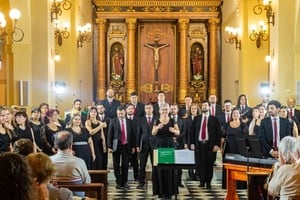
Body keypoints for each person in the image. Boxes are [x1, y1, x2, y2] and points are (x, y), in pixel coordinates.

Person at [190, 100, 221, 189]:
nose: (204, 107)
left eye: (206, 105)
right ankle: (202, 181)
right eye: (203, 105)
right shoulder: (197, 118)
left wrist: (217, 145)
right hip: (199, 144)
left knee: (209, 164)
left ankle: (208, 182)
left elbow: (218, 133)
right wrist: (192, 143)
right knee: (200, 164)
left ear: (209, 107)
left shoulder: (214, 119)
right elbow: (192, 132)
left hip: (210, 145)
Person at [152, 103, 180, 199]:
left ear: (168, 111)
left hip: (169, 145)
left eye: (166, 110)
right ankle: (161, 191)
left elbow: (178, 132)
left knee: (170, 168)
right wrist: (157, 128)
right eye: (163, 110)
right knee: (159, 168)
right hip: (159, 145)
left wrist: (174, 131)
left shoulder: (172, 120)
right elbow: (153, 133)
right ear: (159, 111)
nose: (164, 111)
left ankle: (170, 191)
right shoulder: (156, 120)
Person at [107, 105, 136, 189]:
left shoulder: (130, 121)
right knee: (116, 165)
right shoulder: (113, 121)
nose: (120, 115)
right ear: (117, 113)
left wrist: (133, 146)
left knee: (125, 165)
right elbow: (110, 135)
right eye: (119, 114)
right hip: (116, 146)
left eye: (122, 113)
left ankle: (125, 182)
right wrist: (109, 146)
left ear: (125, 112)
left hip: (127, 145)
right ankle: (118, 182)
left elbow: (133, 135)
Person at [136, 103, 158, 189]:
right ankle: (141, 182)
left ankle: (155, 180)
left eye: (149, 108)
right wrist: (137, 145)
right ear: (145, 110)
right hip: (143, 144)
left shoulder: (157, 118)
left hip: (154, 144)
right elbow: (138, 133)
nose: (148, 110)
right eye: (146, 108)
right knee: (142, 164)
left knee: (155, 164)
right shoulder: (141, 119)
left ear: (152, 109)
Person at [126, 103, 139, 181]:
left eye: (132, 109)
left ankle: (136, 177)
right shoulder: (123, 119)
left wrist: (135, 145)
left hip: (135, 143)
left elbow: (137, 133)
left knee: (135, 162)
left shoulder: (138, 119)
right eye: (129, 108)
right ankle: (125, 178)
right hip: (125, 144)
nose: (130, 110)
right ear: (126, 110)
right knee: (125, 162)